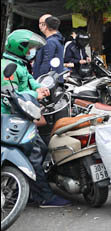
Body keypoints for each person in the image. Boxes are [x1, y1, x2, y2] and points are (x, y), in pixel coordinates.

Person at [1, 30, 71, 208]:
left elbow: (31, 82)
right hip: (11, 118)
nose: (32, 51)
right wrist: (35, 93)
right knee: (34, 155)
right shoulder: (7, 67)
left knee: (40, 147)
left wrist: (41, 88)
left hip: (24, 116)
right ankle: (44, 197)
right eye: (30, 48)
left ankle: (29, 191)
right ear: (20, 47)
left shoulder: (20, 65)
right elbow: (9, 95)